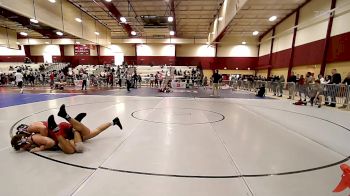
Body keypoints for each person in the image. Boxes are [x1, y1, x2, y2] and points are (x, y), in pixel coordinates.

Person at [11, 105, 123, 154]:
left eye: (22, 147)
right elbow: (44, 132)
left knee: (77, 149)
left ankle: (73, 125)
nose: (24, 149)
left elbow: (47, 136)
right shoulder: (33, 134)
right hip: (64, 131)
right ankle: (113, 122)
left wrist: (40, 148)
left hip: (61, 133)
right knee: (93, 132)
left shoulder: (33, 134)